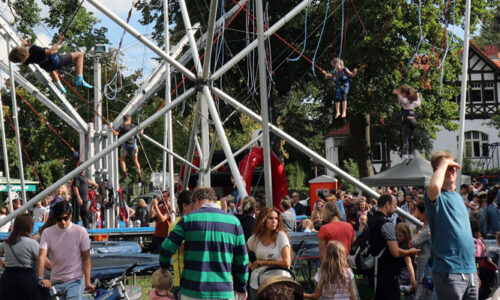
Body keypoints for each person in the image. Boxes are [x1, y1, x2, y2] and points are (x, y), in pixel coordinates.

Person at [159, 187, 249, 300]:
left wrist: (165, 268)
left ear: (196, 200)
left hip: (192, 291)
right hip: (223, 291)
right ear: (213, 200)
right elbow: (242, 260)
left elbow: (166, 248)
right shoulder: (234, 222)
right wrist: (241, 287)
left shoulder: (188, 220)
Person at [424, 151, 477, 299]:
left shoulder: (458, 197)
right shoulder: (436, 196)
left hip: (469, 270)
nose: (452, 169)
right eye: (447, 167)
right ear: (437, 170)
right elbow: (434, 185)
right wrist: (445, 163)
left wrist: (473, 271)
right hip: (449, 270)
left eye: (453, 166)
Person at [38, 201, 94, 300]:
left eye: (65, 218)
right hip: (55, 281)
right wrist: (41, 278)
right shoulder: (47, 233)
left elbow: (86, 258)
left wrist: (87, 282)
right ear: (54, 218)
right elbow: (41, 257)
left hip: (75, 280)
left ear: (70, 215)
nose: (63, 222)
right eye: (59, 219)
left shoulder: (81, 231)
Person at [368, 194, 420, 299]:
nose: (396, 209)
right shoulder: (386, 224)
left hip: (374, 272)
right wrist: (412, 251)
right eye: (395, 205)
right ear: (388, 205)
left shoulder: (371, 220)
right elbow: (395, 252)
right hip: (386, 276)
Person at [8, 35, 92, 94]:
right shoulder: (34, 49)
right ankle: (80, 79)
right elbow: (51, 52)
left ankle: (61, 87)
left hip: (47, 67)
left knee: (51, 70)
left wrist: (25, 46)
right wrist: (59, 41)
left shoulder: (25, 60)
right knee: (80, 55)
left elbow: (27, 54)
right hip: (56, 62)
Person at [247, 207, 292, 300]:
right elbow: (241, 253)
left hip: (279, 284)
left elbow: (287, 263)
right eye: (270, 218)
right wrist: (250, 265)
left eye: (276, 218)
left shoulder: (281, 236)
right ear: (263, 220)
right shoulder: (255, 238)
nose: (274, 221)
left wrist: (264, 262)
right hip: (258, 282)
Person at [0, 214, 43, 300]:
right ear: (30, 226)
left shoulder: (7, 243)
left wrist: (3, 264)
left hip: (7, 279)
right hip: (26, 280)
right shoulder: (32, 243)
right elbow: (43, 261)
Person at [167, 190, 194, 300]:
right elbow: (183, 248)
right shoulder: (175, 226)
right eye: (194, 204)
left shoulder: (195, 222)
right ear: (185, 206)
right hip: (182, 280)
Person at [108, 114, 143, 182]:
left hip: (125, 146)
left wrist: (111, 127)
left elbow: (116, 134)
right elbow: (141, 132)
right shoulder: (133, 126)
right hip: (133, 145)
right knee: (135, 160)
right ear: (129, 120)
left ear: (123, 120)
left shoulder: (122, 126)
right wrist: (142, 127)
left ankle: (124, 172)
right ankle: (139, 173)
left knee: (122, 159)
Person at [392, 84, 421, 161]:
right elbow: (419, 104)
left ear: (405, 93)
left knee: (405, 138)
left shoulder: (407, 101)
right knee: (410, 138)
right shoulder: (413, 102)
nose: (401, 94)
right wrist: (418, 96)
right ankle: (410, 154)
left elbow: (403, 100)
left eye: (402, 93)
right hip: (413, 121)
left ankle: (405, 155)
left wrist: (397, 94)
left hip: (408, 121)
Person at [411, 201, 432, 300]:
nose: (417, 215)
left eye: (418, 212)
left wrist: (421, 229)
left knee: (423, 290)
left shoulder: (427, 230)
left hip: (425, 267)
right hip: (426, 266)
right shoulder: (429, 228)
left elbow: (412, 243)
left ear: (424, 213)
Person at [395, 223, 417, 298]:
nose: (398, 237)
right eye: (396, 235)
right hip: (405, 275)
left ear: (406, 235)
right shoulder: (407, 245)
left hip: (404, 276)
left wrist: (413, 280)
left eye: (400, 235)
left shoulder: (405, 248)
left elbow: (409, 264)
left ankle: (409, 288)